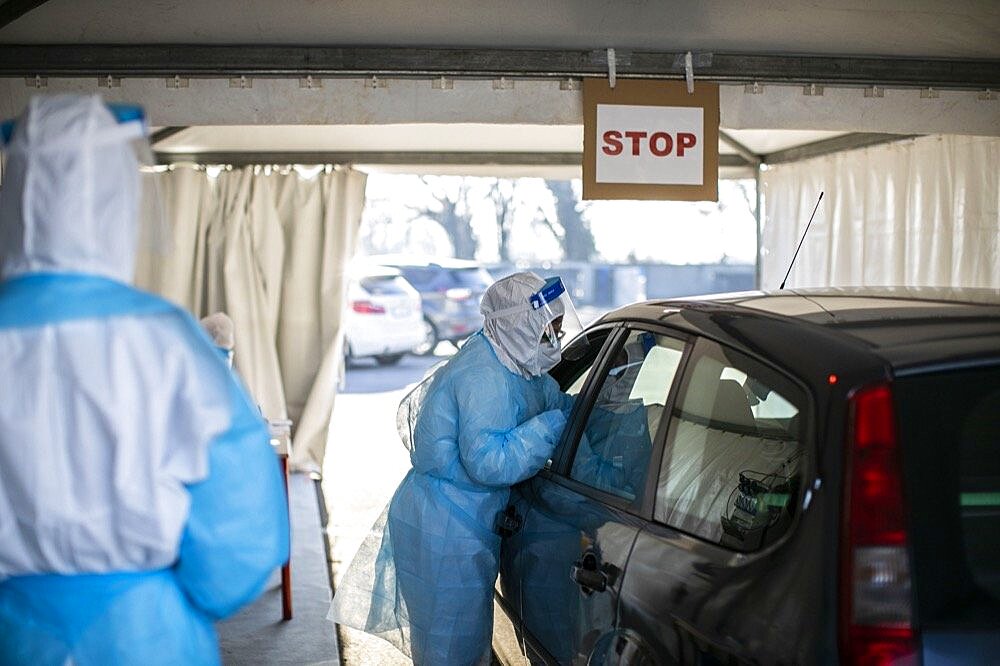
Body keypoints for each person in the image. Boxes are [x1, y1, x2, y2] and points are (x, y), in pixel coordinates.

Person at [0, 95, 289, 665]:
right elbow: (241, 520)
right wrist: (188, 595)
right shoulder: (165, 338)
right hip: (144, 633)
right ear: (118, 201)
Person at [331, 271, 579, 665]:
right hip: (445, 529)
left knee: (461, 643)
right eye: (549, 332)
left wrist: (607, 404)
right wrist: (552, 427)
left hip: (460, 519)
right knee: (450, 649)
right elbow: (488, 461)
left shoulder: (511, 361)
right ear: (519, 325)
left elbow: (554, 402)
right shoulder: (483, 375)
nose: (555, 342)